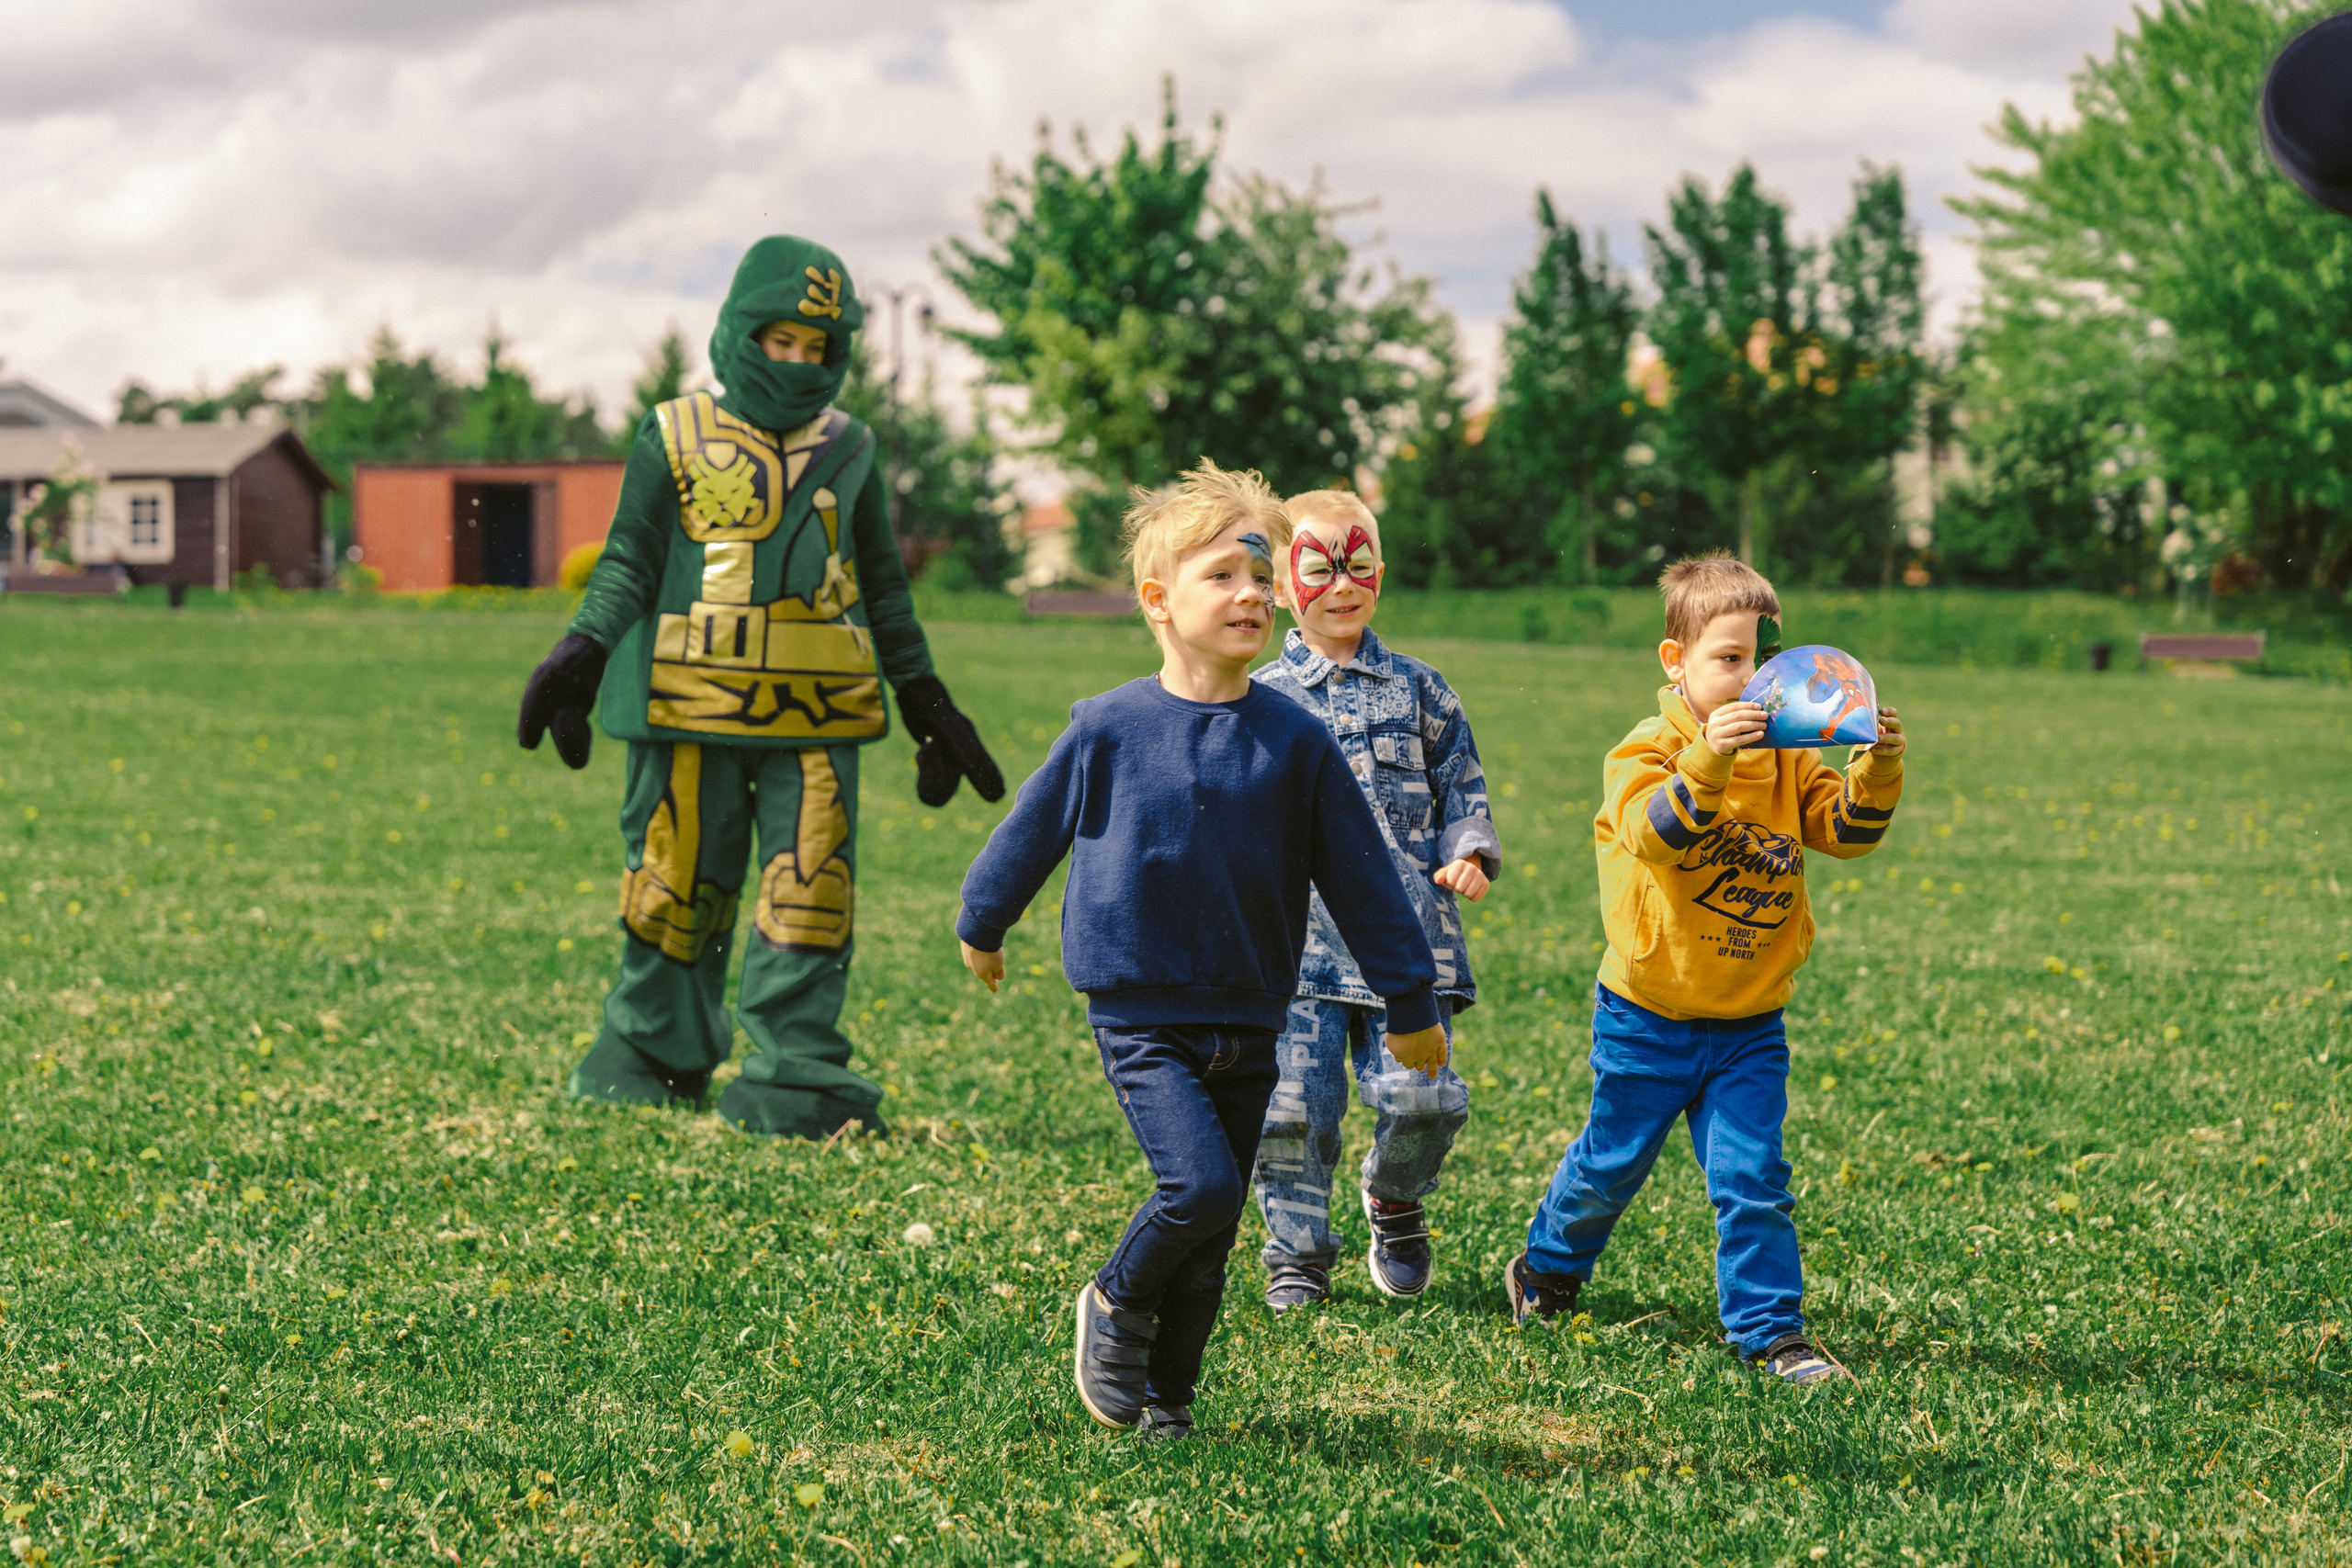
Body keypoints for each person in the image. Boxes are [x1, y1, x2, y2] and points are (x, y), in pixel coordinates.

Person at [953, 462, 1447, 1441]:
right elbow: (1028, 832)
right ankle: (1113, 1299)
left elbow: (1362, 883)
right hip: (1142, 1013)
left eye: (1261, 580)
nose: (1251, 596)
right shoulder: (1107, 727)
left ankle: (1165, 1399)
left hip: (1251, 1014)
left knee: (1216, 1239)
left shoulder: (1295, 740)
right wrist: (982, 919)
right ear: (1156, 601)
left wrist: (1411, 1005)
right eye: (1222, 575)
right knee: (1202, 1187)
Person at [516, 235, 1003, 1141]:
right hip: (681, 700)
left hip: (818, 709)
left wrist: (925, 701)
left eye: (820, 347)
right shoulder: (670, 434)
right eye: (783, 339)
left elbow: (884, 587)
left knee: (810, 892)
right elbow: (631, 558)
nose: (800, 362)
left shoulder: (851, 448)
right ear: (742, 333)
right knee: (671, 880)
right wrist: (581, 653)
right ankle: (649, 1057)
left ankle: (794, 1081)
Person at [1506, 553, 1906, 1385]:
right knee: (1611, 1164)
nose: (1750, 678)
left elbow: (1849, 833)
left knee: (1753, 1176)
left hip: (1749, 1022)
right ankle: (1546, 1268)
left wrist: (1878, 765)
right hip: (1647, 1012)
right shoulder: (1644, 751)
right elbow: (1659, 833)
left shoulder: (1792, 756)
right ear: (1675, 661)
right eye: (1728, 659)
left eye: (1762, 659)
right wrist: (1711, 761)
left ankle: (1771, 1333)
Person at [1248, 489, 1498, 1310]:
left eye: (1359, 565)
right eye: (1321, 567)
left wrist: (1469, 849)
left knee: (1425, 1100)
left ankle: (1395, 1199)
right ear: (1285, 584)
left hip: (1408, 950)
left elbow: (1462, 784)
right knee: (1289, 1116)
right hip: (1297, 957)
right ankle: (1296, 1250)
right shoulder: (1261, 697)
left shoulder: (1424, 692)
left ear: (1380, 573)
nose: (1343, 583)